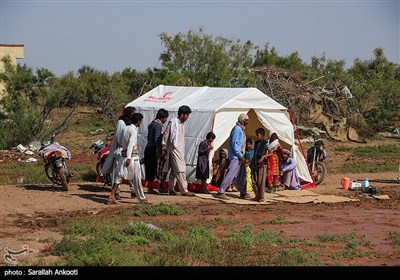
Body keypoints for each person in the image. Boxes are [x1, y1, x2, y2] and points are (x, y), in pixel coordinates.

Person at [108, 113, 149, 204]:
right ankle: (142, 198)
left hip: (123, 156)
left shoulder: (124, 129)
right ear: (138, 121)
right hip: (132, 158)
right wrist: (129, 157)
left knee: (118, 177)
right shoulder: (133, 130)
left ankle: (111, 196)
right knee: (137, 178)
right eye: (141, 121)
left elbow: (121, 141)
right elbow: (131, 144)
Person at [101, 106, 137, 200]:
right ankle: (116, 192)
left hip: (128, 151)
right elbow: (118, 137)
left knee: (131, 171)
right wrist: (125, 145)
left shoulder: (131, 124)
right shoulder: (121, 122)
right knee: (118, 173)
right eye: (133, 113)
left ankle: (133, 191)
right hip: (120, 150)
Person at [160, 105, 195, 196]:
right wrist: (164, 148)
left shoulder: (181, 124)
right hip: (174, 149)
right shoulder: (173, 123)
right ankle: (184, 190)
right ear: (182, 115)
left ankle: (171, 188)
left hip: (179, 150)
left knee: (174, 171)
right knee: (180, 170)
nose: (188, 117)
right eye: (187, 115)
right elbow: (166, 135)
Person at [216, 113, 249, 200]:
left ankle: (243, 192)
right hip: (236, 156)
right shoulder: (237, 129)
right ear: (242, 120)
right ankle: (221, 191)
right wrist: (239, 155)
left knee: (241, 175)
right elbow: (234, 144)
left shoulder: (241, 130)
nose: (247, 122)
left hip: (240, 156)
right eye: (246, 120)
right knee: (231, 174)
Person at [144, 108, 169, 194]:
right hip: (153, 149)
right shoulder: (159, 125)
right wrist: (160, 150)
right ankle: (154, 187)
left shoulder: (152, 124)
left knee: (149, 168)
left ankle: (150, 187)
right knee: (156, 168)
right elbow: (157, 139)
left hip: (148, 148)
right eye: (166, 118)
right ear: (163, 117)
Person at [251, 128, 269, 202]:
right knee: (254, 180)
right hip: (255, 163)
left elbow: (271, 152)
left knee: (260, 181)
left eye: (257, 135)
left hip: (262, 164)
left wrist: (263, 157)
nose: (256, 136)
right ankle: (257, 195)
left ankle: (261, 197)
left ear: (262, 135)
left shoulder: (266, 143)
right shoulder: (256, 143)